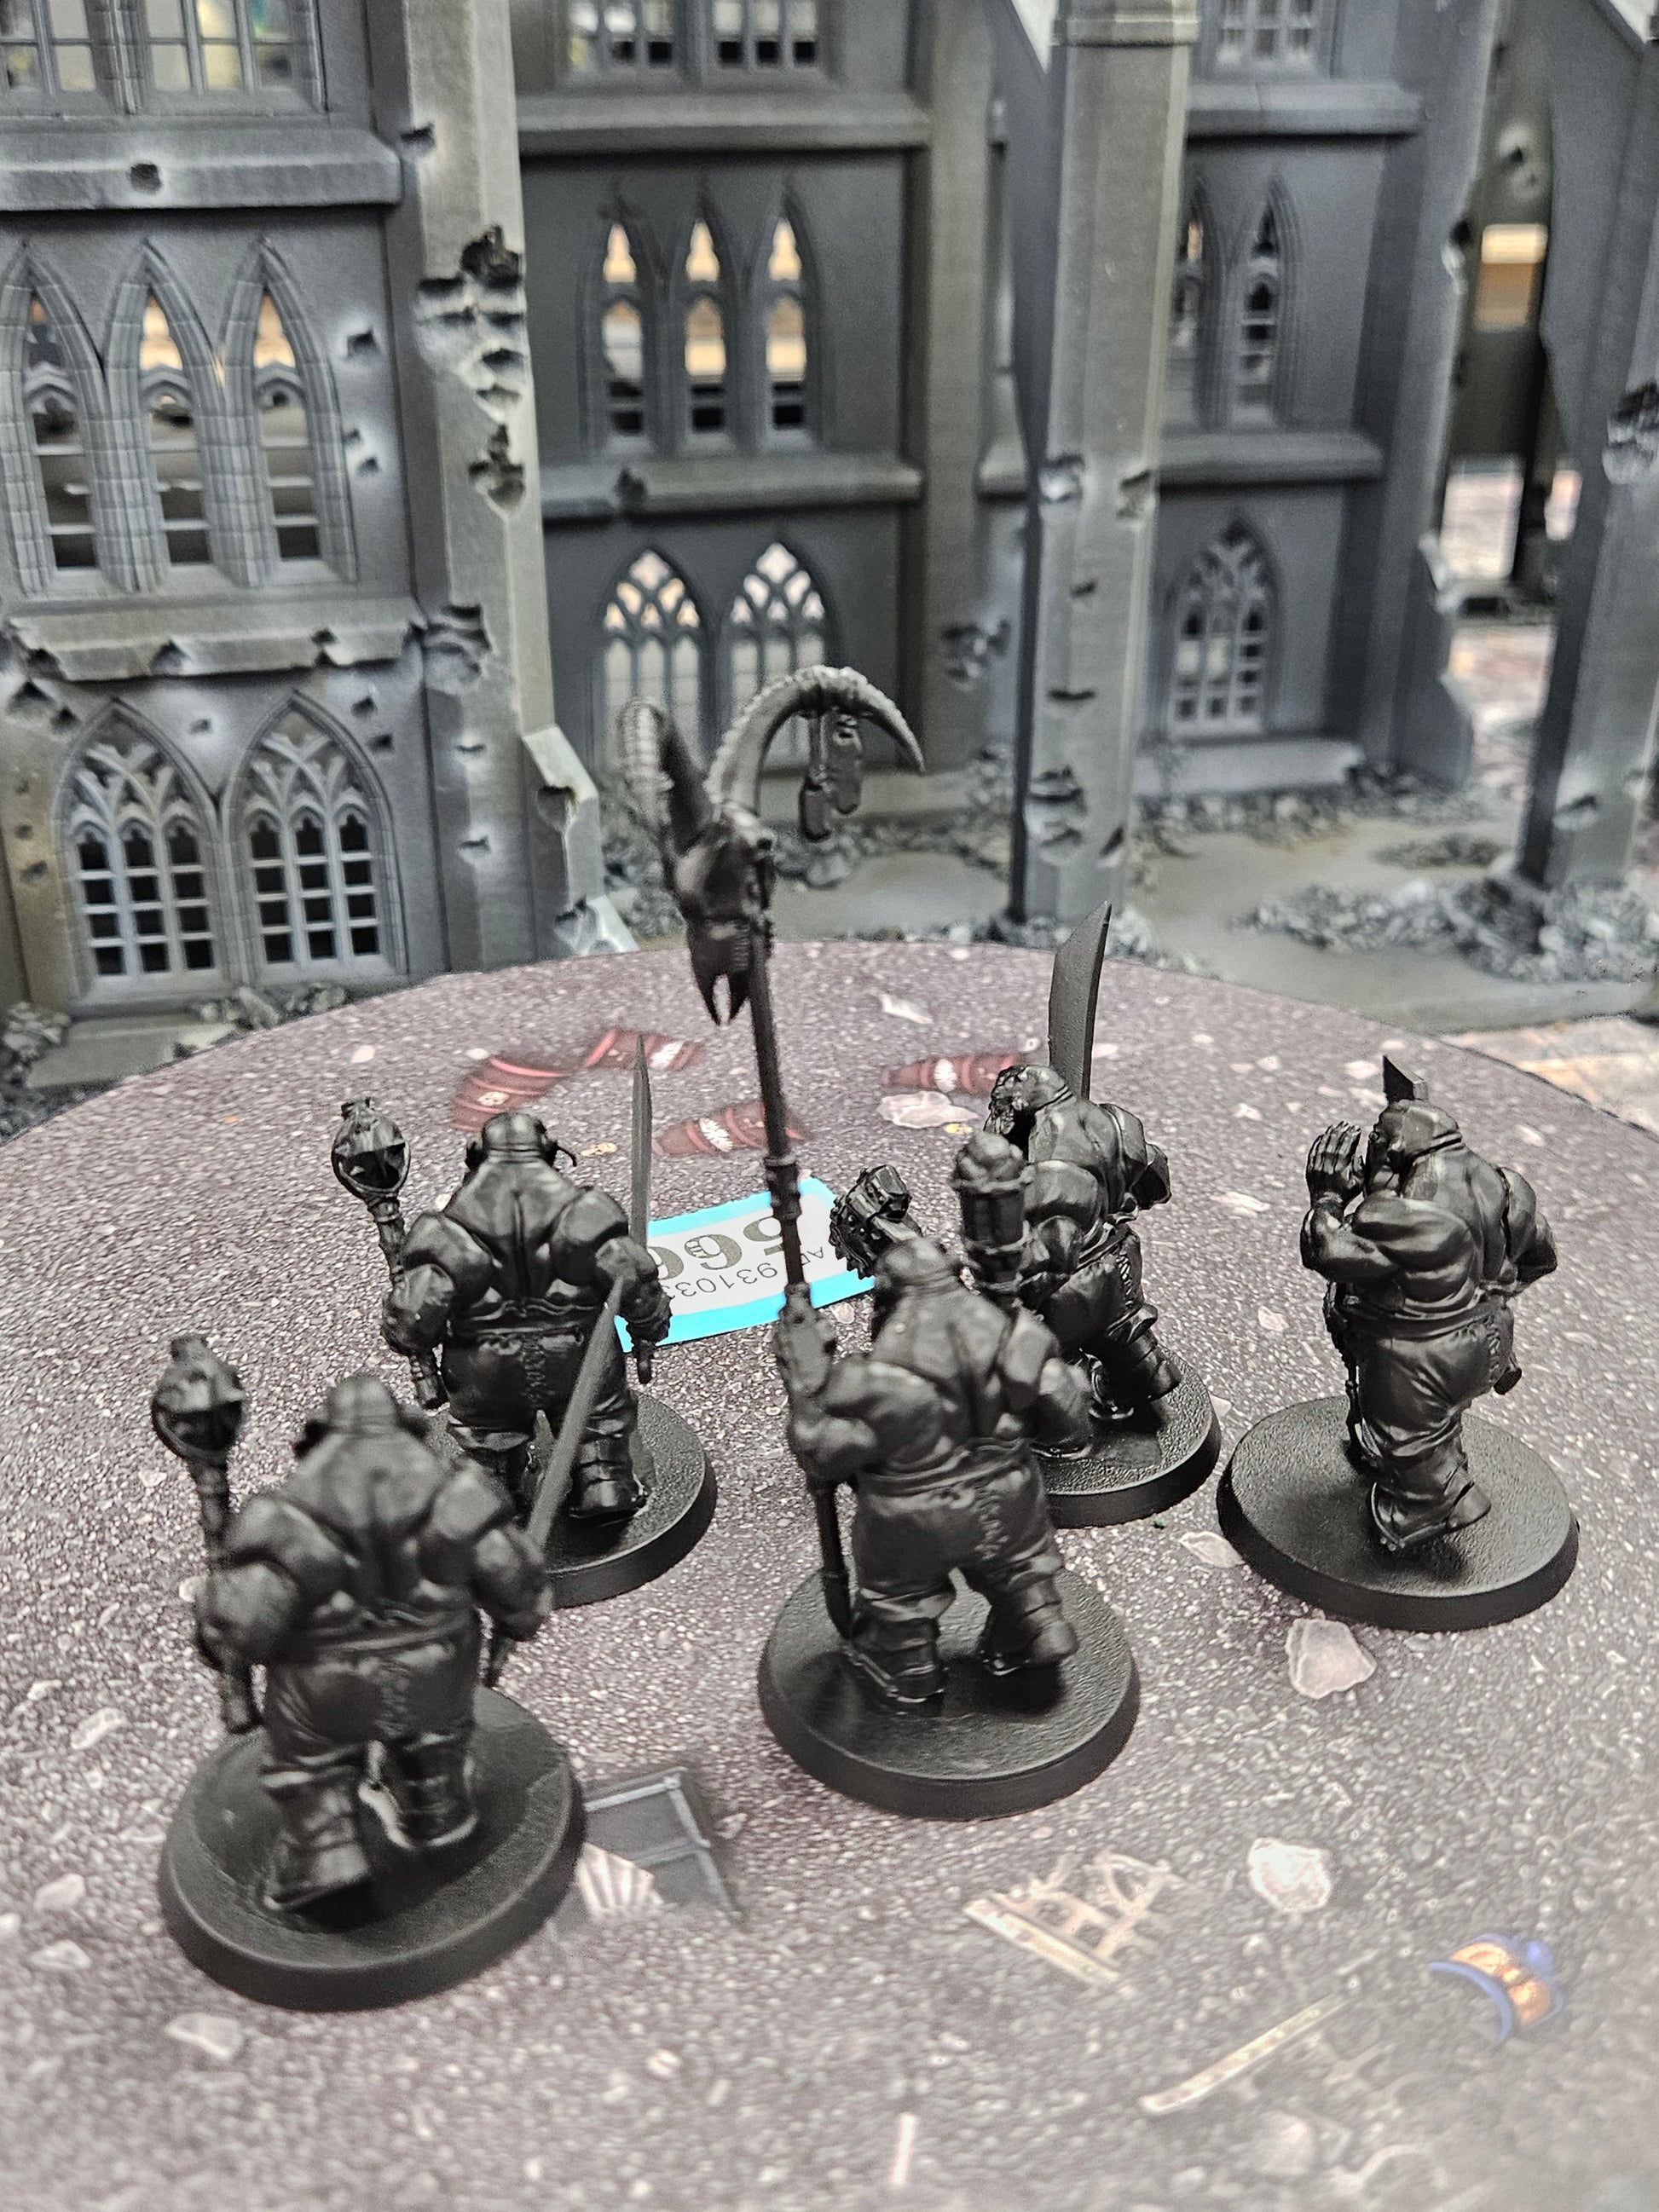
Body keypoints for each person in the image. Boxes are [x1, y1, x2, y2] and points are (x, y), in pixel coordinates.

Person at [194, 1374, 548, 1913]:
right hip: (437, 1671)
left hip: (324, 1688)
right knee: (434, 1746)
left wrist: (215, 1617)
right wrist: (518, 1621)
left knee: (310, 1767)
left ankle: (324, 1850)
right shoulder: (456, 1501)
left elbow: (241, 1631)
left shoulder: (287, 1522)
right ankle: (437, 1810)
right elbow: (517, 1586)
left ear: (319, 1437)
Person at [777, 1237, 1092, 1711]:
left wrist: (805, 1382)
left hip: (914, 1519)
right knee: (1023, 1572)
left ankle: (910, 1669)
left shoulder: (877, 1380)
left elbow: (822, 1454)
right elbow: (1068, 1421)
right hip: (1010, 1496)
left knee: (901, 1604)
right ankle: (1037, 1622)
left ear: (887, 1296)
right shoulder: (1015, 1336)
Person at [1301, 1080, 1558, 1553]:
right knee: (1439, 1426)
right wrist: (1489, 1294)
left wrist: (1327, 1197)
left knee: (1408, 1441)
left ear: (1397, 1148)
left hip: (1419, 1357)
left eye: (1377, 1141)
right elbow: (1542, 1257)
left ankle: (1435, 1506)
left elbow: (1326, 1251)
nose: (1368, 1152)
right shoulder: (1504, 1186)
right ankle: (1438, 1466)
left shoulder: (1406, 1213)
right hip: (1490, 1337)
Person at [383, 1110, 671, 1522]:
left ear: (476, 1155)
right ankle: (604, 1481)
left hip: (485, 1367)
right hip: (577, 1354)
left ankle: (494, 1496)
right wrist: (649, 1329)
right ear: (549, 1151)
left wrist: (408, 1335)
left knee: (490, 1447)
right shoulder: (583, 1216)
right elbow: (634, 1281)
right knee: (596, 1424)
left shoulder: (446, 1232)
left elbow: (413, 1319)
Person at [976, 1063, 1182, 1427]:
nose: (997, 1117)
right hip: (1118, 1254)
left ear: (1020, 1100)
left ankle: (1069, 1425)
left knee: (1050, 1357)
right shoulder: (1112, 1120)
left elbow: (1052, 1242)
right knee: (1125, 1333)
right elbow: (1155, 1175)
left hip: (1068, 1283)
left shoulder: (1043, 1148)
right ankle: (1151, 1378)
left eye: (1001, 1107)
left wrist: (1014, 1292)